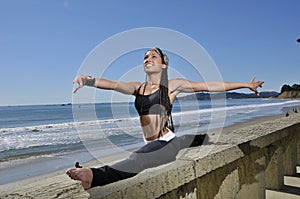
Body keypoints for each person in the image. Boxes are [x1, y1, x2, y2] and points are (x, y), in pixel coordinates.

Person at [66, 47, 264, 189]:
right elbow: (113, 84)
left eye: (153, 56)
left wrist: (245, 84)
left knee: (138, 158)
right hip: (152, 143)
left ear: (163, 64)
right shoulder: (138, 87)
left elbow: (208, 86)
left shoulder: (172, 86)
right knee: (189, 140)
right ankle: (202, 138)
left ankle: (94, 176)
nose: (148, 59)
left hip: (165, 143)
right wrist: (88, 80)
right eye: (145, 57)